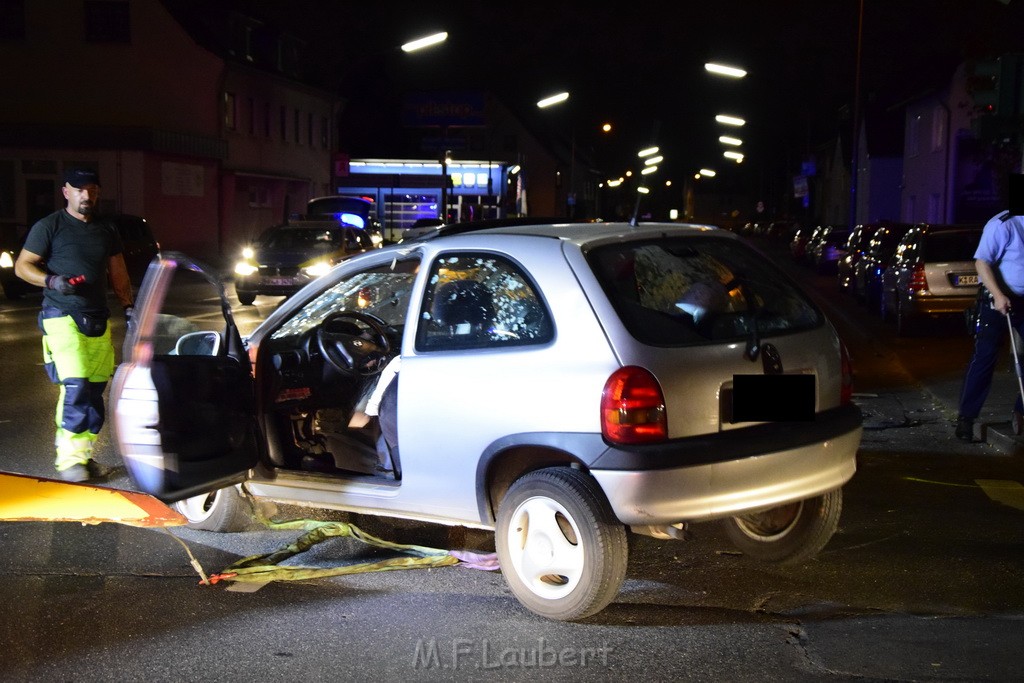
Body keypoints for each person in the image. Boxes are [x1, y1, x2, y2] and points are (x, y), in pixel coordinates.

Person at [14, 167, 134, 482]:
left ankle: (84, 457)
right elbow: (22, 266)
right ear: (66, 191)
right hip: (61, 315)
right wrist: (51, 280)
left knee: (95, 390)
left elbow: (117, 270)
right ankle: (68, 462)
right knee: (77, 385)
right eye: (79, 189)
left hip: (97, 317)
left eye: (92, 189)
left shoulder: (106, 230)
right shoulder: (49, 226)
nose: (87, 195)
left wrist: (129, 305)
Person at [956, 173, 1024, 441]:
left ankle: (1020, 411)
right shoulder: (1002, 225)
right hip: (998, 298)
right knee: (985, 357)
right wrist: (997, 294)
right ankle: (966, 418)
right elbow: (982, 262)